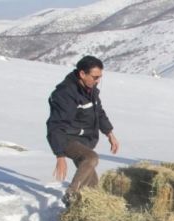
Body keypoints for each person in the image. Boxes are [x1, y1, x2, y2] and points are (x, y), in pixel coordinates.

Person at [46, 55, 119, 206]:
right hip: (66, 138)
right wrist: (60, 155)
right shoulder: (65, 94)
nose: (97, 80)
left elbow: (98, 112)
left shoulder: (90, 90)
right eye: (95, 77)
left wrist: (110, 134)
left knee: (93, 187)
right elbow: (55, 125)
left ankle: (87, 209)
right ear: (82, 74)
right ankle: (71, 195)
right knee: (91, 158)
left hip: (85, 139)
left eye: (100, 77)